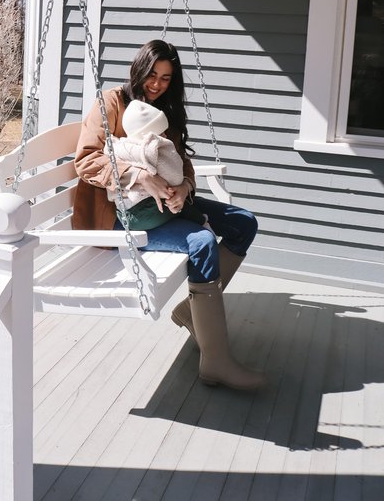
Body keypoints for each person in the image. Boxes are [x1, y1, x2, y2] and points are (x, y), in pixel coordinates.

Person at [73, 39, 265, 390]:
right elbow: (86, 160)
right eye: (153, 74)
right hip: (121, 216)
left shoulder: (165, 109)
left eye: (166, 78)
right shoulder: (112, 102)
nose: (157, 83)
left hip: (165, 205)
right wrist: (138, 175)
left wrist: (185, 188)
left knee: (243, 222)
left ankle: (193, 312)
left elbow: (182, 160)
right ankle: (215, 361)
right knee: (202, 242)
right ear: (139, 68)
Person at [104, 98, 209, 230]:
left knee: (239, 220)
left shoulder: (120, 146)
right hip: (143, 214)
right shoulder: (151, 151)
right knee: (183, 209)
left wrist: (186, 187)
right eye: (161, 133)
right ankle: (203, 223)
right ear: (148, 137)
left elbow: (184, 162)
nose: (165, 136)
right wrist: (177, 188)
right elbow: (174, 176)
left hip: (125, 213)